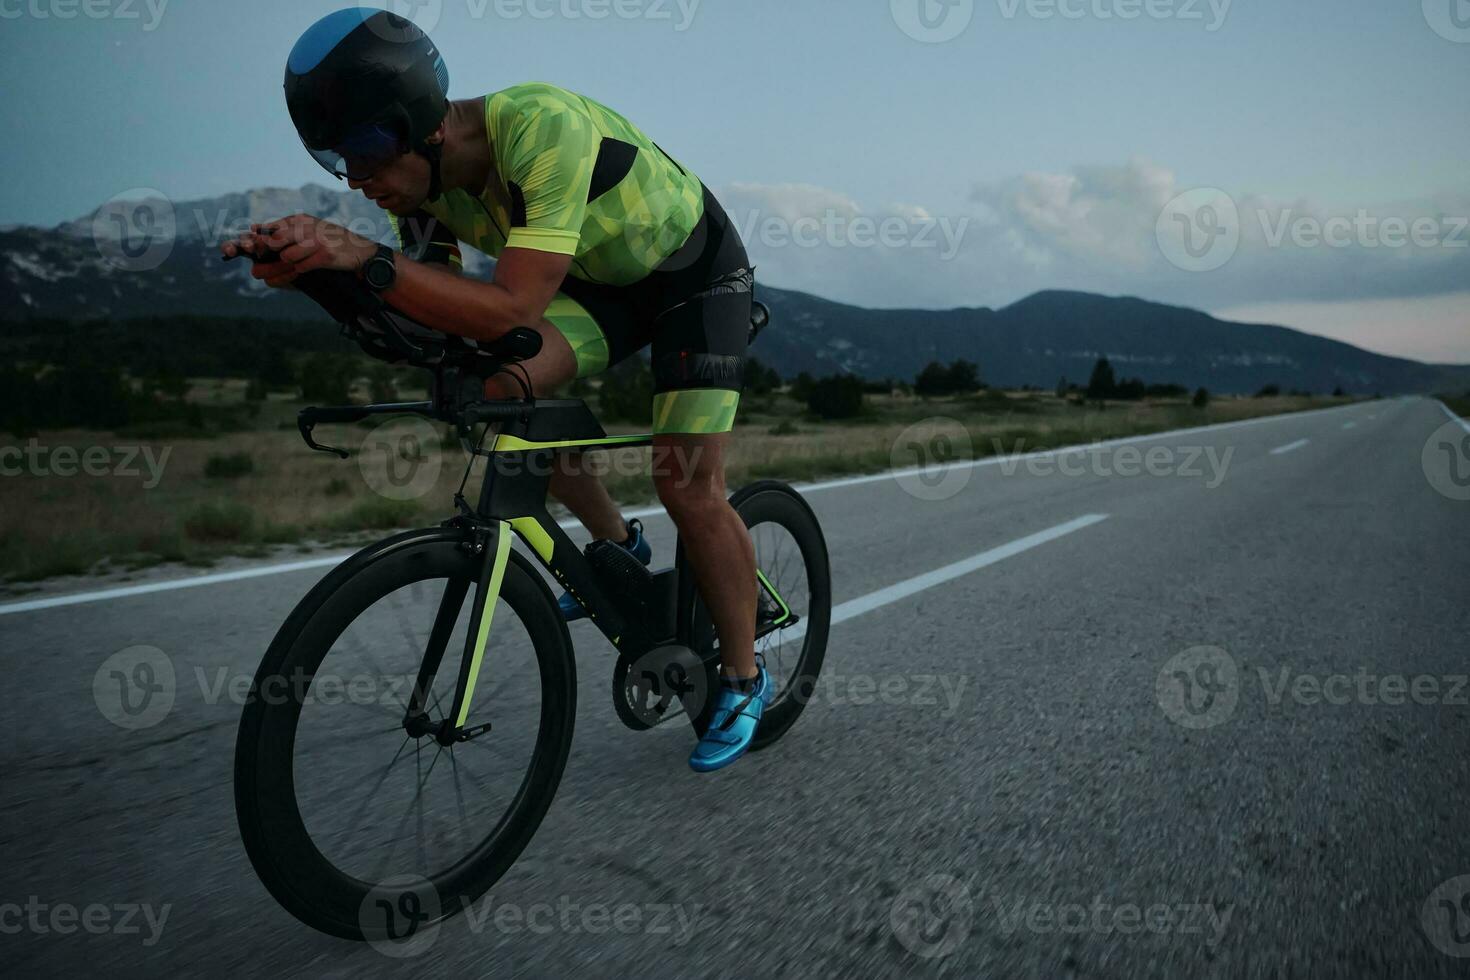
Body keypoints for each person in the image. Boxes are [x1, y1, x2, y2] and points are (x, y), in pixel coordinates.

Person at [222, 7, 768, 771]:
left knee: (686, 482)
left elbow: (511, 307)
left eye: (366, 151)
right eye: (337, 159)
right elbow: (437, 316)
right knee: (497, 388)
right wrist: (320, 275)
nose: (359, 179)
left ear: (421, 124)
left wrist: (363, 257)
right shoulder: (421, 193)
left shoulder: (542, 129)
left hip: (693, 279)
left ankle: (743, 678)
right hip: (600, 291)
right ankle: (619, 549)